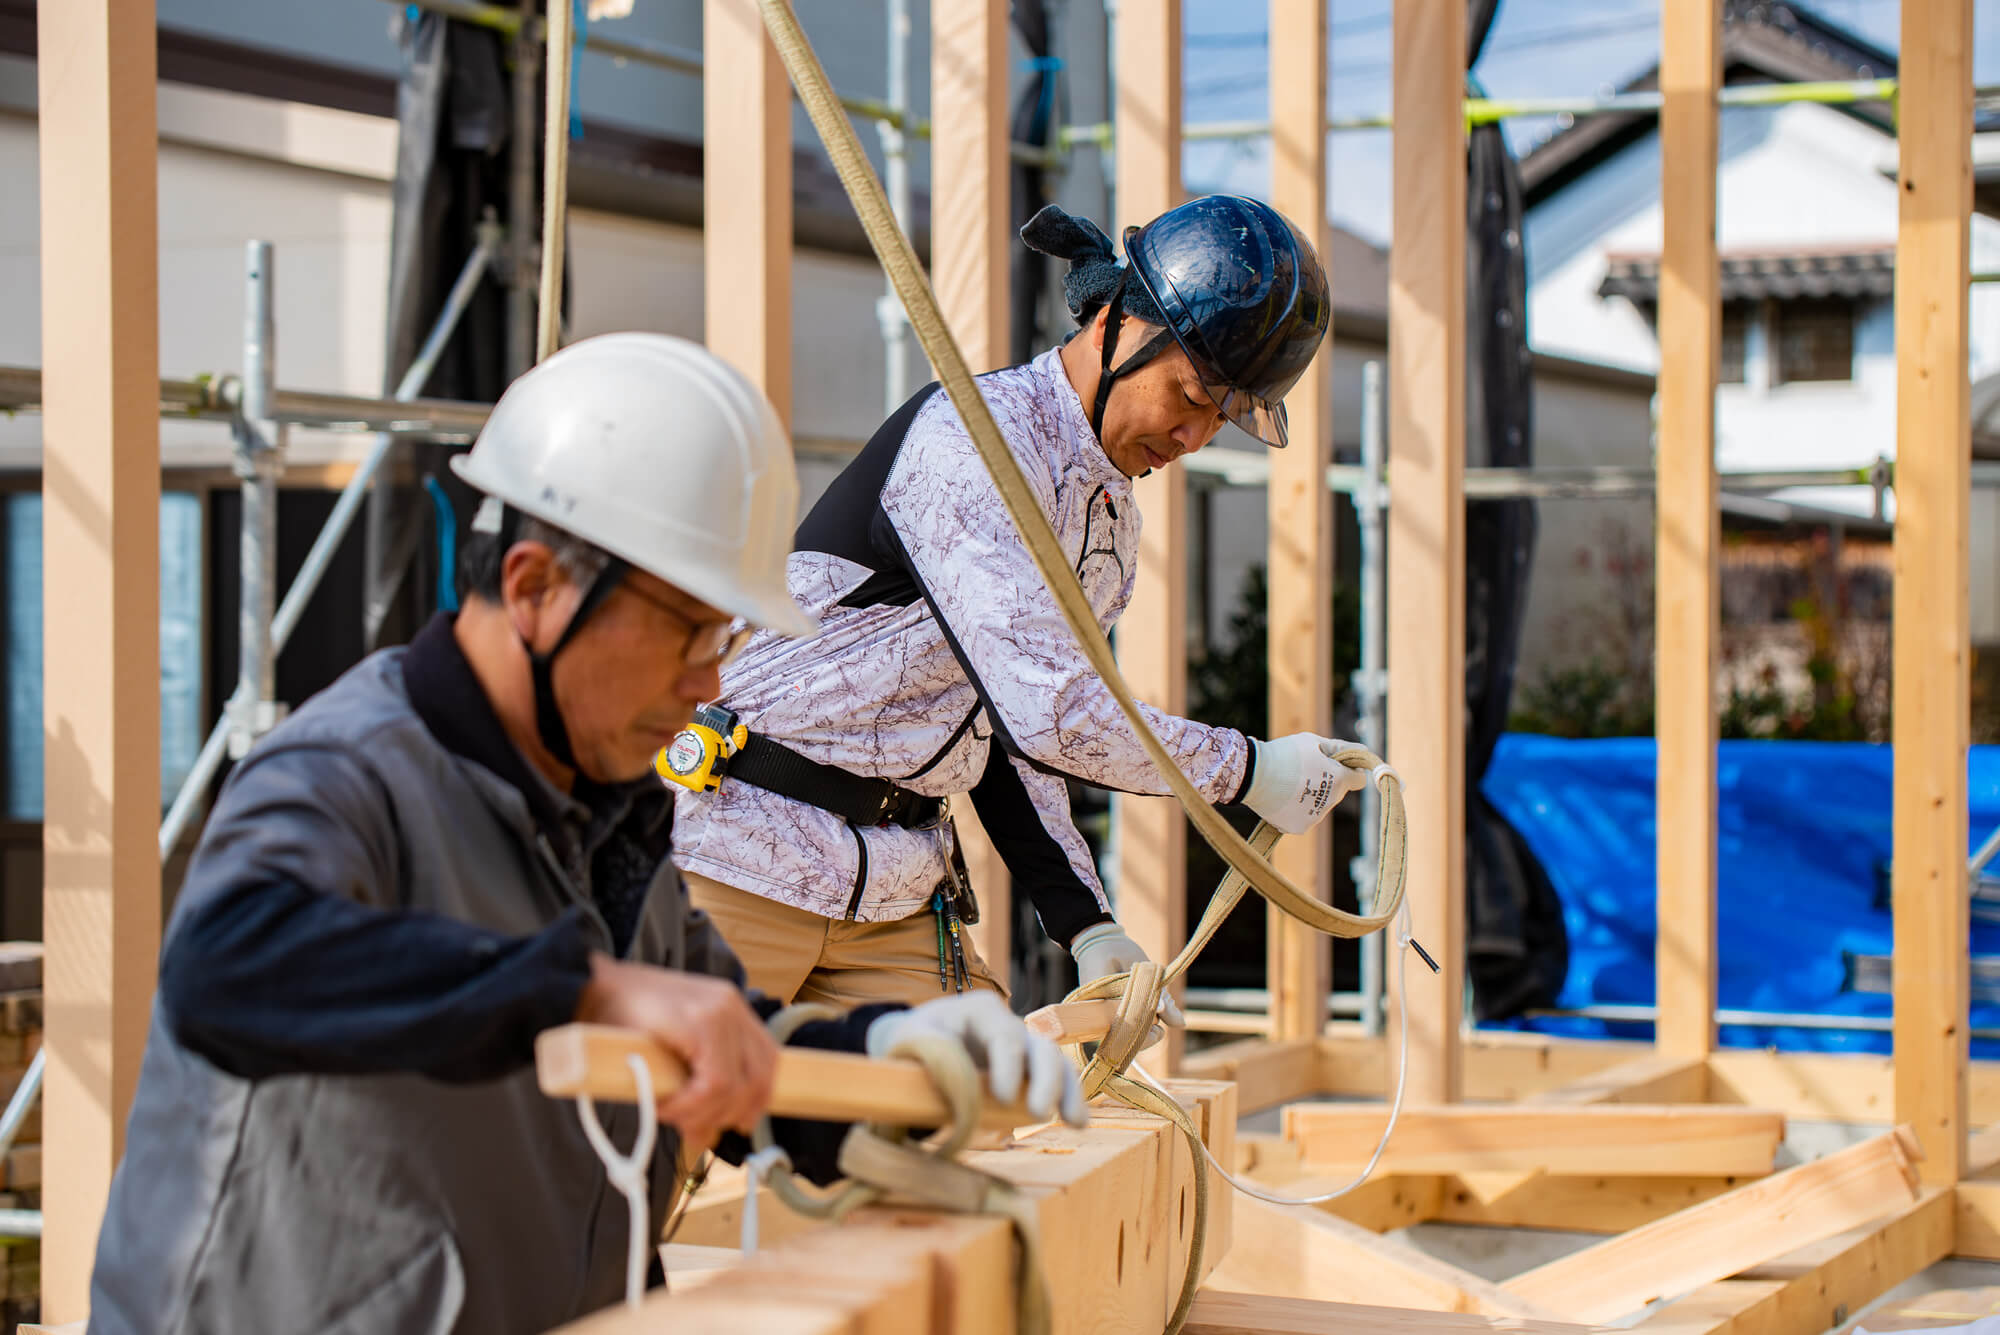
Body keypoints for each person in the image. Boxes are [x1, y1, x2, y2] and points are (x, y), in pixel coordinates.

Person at [86, 333, 1083, 1335]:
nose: (709, 682)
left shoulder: (613, 815)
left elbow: (731, 1053)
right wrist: (591, 990)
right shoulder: (347, 774)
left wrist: (896, 1057)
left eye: (728, 639)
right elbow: (229, 966)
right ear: (533, 590)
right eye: (690, 631)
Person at [668, 195, 1366, 1021]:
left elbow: (1000, 731)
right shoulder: (971, 446)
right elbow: (1051, 713)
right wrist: (1249, 771)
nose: (1194, 440)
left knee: (971, 1121)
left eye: (1223, 417)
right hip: (746, 852)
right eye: (1190, 394)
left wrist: (1087, 922)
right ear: (1115, 322)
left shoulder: (1106, 526)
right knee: (662, 1131)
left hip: (893, 887)